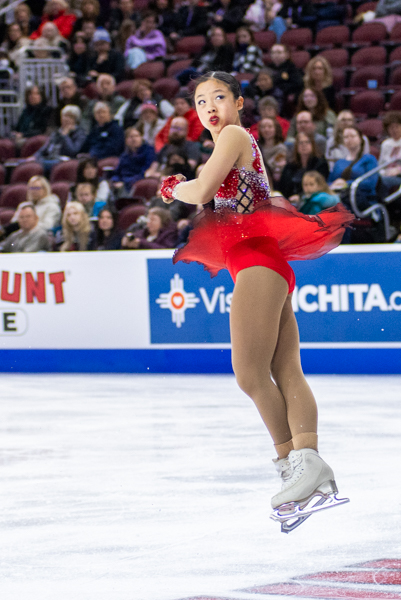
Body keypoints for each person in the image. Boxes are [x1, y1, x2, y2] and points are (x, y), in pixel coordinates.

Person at [159, 71, 352, 527]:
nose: (210, 106)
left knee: (249, 373)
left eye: (219, 97)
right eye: (201, 100)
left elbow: (202, 191)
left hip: (257, 262)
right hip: (260, 262)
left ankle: (301, 464)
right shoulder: (226, 142)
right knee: (284, 370)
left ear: (240, 102)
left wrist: (171, 187)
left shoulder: (233, 134)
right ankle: (302, 469)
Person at [328, 125, 378, 210]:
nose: (349, 139)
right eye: (346, 137)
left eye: (352, 136)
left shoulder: (369, 159)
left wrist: (346, 184)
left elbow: (370, 183)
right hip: (339, 196)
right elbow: (329, 182)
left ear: (360, 139)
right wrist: (334, 185)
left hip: (361, 199)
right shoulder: (339, 162)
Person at [277, 131, 329, 202]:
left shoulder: (320, 163)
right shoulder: (290, 166)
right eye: (301, 143)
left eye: (307, 142)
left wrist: (301, 197)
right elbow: (283, 187)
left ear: (312, 144)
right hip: (289, 201)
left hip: (312, 200)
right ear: (296, 147)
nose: (304, 145)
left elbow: (321, 186)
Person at [111, 128, 156, 193]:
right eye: (131, 137)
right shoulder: (124, 155)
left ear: (141, 138)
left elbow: (145, 171)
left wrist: (125, 182)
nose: (134, 139)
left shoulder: (149, 151)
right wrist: (115, 181)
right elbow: (118, 172)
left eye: (137, 136)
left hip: (138, 181)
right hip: (124, 182)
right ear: (126, 140)